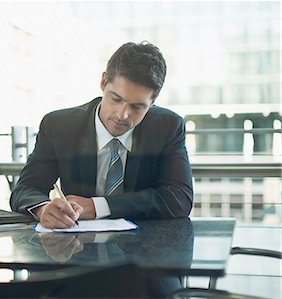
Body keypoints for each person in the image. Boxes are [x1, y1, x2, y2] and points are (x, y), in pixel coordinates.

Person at [10, 41, 193, 228]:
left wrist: (97, 207)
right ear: (103, 82)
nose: (122, 115)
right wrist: (43, 209)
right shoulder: (59, 126)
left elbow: (179, 199)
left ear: (153, 101)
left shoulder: (167, 127)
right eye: (116, 98)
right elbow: (26, 189)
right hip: (77, 249)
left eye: (137, 106)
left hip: (145, 249)